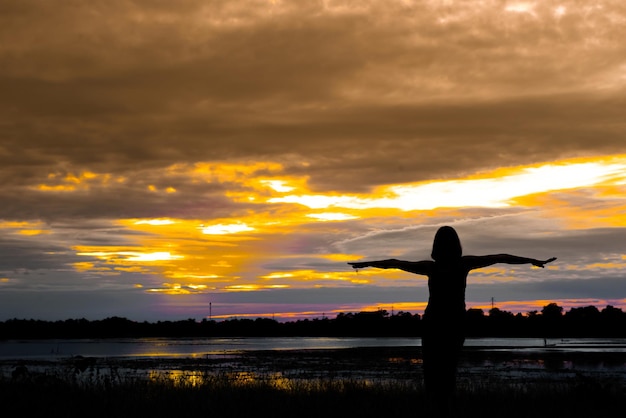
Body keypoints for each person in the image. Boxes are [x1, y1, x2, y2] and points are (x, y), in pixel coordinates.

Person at [348, 226, 556, 413]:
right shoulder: (460, 264)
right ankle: (442, 406)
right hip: (449, 322)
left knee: (434, 369)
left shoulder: (435, 267)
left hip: (440, 322)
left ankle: (438, 407)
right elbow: (500, 256)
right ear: (457, 245)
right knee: (445, 368)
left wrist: (367, 264)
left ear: (436, 246)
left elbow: (395, 263)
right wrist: (532, 261)